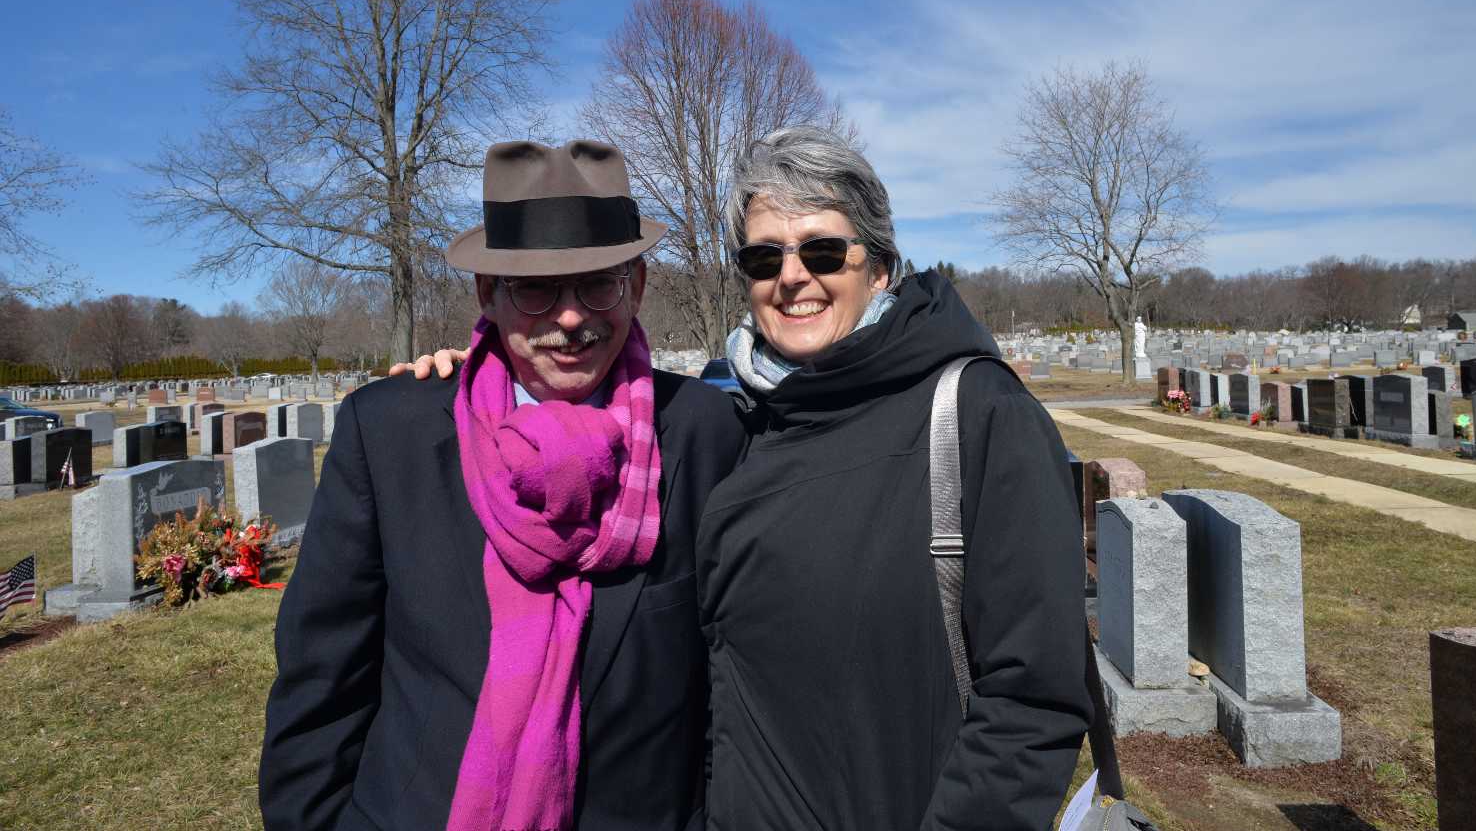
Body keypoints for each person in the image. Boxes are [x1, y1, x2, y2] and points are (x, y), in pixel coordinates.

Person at [406, 128, 1093, 829]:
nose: (791, 277)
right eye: (764, 258)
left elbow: (1033, 698)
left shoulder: (976, 415)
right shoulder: (747, 424)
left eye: (823, 251)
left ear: (881, 268)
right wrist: (482, 379)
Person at [259, 139, 745, 831]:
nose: (571, 318)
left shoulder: (705, 433)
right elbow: (321, 684)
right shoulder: (392, 435)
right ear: (488, 292)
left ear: (636, 286)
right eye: (536, 288)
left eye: (599, 283)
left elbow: (731, 684)